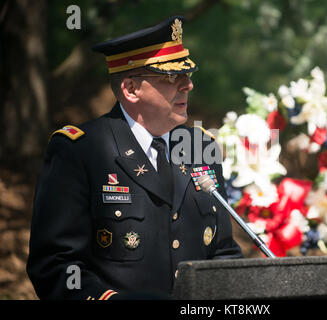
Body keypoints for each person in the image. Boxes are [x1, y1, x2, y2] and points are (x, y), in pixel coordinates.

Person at [26, 16, 242, 300]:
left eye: (188, 74)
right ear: (131, 89)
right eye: (172, 77)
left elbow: (223, 252)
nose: (188, 85)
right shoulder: (80, 150)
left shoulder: (199, 146)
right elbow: (55, 265)